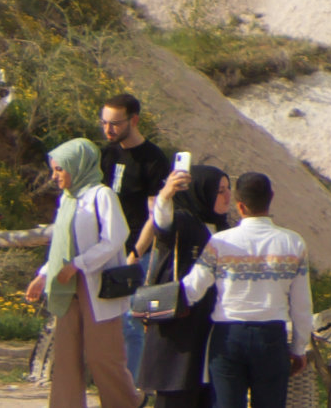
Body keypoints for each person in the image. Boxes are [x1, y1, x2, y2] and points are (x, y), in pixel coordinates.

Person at [32, 139, 143, 408]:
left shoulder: (101, 195)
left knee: (102, 355)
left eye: (60, 169)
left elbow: (115, 237)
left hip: (94, 284)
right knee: (66, 355)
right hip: (67, 286)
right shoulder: (68, 199)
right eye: (53, 170)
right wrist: (44, 274)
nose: (54, 176)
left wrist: (79, 264)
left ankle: (125, 403)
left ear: (77, 166)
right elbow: (60, 244)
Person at [191, 170, 312, 408]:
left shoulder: (219, 242)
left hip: (227, 337)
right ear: (271, 198)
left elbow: (193, 288)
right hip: (271, 337)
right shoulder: (293, 243)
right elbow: (301, 303)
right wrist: (299, 347)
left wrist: (162, 301)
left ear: (240, 206)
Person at [122, 160, 224, 408]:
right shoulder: (182, 222)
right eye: (220, 190)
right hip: (177, 328)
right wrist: (166, 195)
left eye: (228, 189)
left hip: (208, 329)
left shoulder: (226, 229)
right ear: (204, 191)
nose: (227, 196)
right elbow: (162, 222)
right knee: (175, 396)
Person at [92, 97, 167, 244]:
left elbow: (155, 215)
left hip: (135, 248)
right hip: (104, 244)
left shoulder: (154, 159)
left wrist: (136, 254)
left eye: (115, 124)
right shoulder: (107, 153)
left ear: (133, 121)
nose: (107, 129)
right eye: (104, 123)